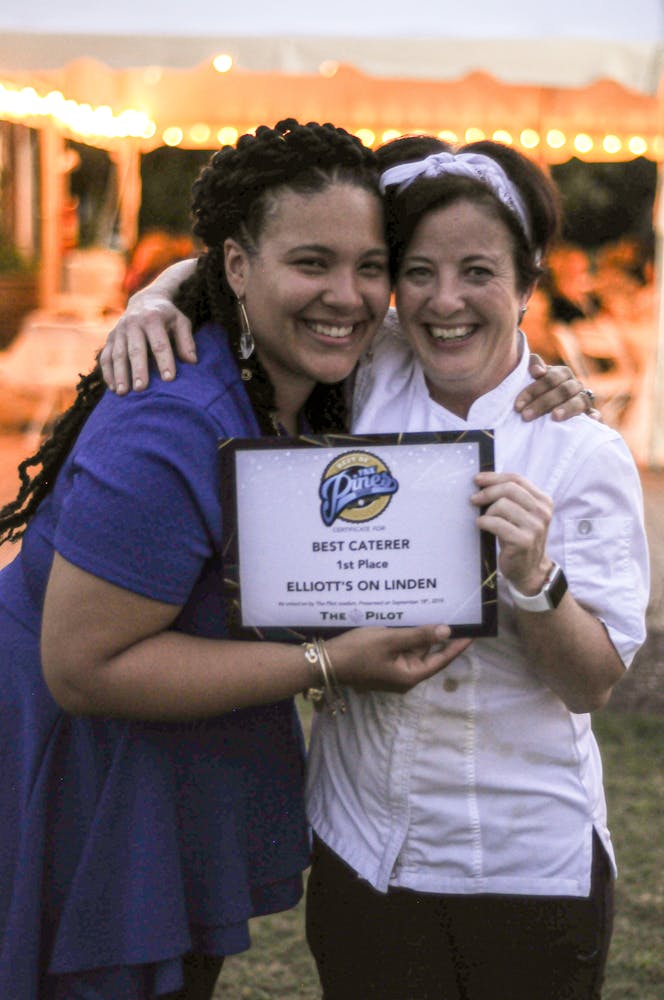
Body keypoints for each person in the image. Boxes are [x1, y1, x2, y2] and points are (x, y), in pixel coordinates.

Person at [96, 133, 624, 999]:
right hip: (360, 845)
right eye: (417, 271)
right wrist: (150, 298)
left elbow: (593, 684)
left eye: (480, 273)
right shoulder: (363, 372)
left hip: (523, 860)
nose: (444, 299)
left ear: (529, 283)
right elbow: (261, 275)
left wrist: (535, 574)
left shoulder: (579, 448)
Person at [0, 119, 471, 1000]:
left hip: (169, 757)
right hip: (79, 774)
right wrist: (328, 661)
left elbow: (476, 337)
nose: (348, 294)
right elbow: (82, 668)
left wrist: (551, 383)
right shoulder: (174, 417)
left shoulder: (327, 388)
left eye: (370, 266)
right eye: (311, 263)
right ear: (238, 268)